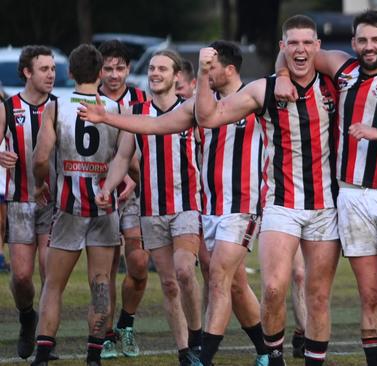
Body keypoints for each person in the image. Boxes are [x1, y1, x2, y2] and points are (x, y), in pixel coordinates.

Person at [79, 41, 270, 366]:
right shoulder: (201, 106)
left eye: (211, 68)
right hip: (210, 208)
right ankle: (267, 350)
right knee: (235, 284)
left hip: (243, 204)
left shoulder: (256, 98)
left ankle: (201, 355)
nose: (205, 75)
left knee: (216, 274)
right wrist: (108, 119)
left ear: (229, 69)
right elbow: (155, 125)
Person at [273, 10, 377, 366]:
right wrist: (282, 74)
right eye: (363, 40)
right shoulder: (343, 69)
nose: (369, 47)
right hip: (352, 196)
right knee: (370, 296)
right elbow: (295, 50)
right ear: (354, 42)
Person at [195, 16, 342, 366]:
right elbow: (208, 117)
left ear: (317, 47)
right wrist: (202, 74)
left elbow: (374, 70)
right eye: (293, 43)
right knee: (274, 289)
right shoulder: (264, 89)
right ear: (283, 47)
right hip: (280, 204)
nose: (301, 50)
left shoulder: (337, 84)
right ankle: (273, 358)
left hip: (325, 206)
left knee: (317, 296)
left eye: (308, 43)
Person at [87, 49, 203, 366]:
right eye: (151, 68)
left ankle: (198, 337)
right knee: (168, 283)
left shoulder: (191, 110)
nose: (154, 73)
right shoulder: (136, 111)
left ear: (176, 75)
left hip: (188, 206)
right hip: (151, 208)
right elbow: (123, 157)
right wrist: (107, 188)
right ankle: (185, 353)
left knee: (183, 271)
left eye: (162, 68)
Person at [30, 44, 122, 366]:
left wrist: (41, 182)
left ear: (69, 73)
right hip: (104, 207)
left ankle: (42, 354)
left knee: (53, 285)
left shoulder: (56, 106)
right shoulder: (114, 107)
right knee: (100, 282)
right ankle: (94, 354)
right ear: (100, 74)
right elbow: (130, 162)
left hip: (69, 206)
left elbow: (41, 157)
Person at [0, 45, 57, 360]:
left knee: (51, 270)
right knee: (21, 276)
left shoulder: (61, 107)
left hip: (53, 203)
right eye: (44, 69)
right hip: (20, 201)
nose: (51, 74)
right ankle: (27, 318)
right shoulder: (8, 108)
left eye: (53, 69)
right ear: (27, 73)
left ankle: (47, 338)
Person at [96, 39, 149, 359]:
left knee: (139, 264)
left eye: (120, 68)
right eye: (107, 68)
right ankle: (106, 334)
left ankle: (126, 324)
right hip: (102, 193)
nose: (114, 75)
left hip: (136, 194)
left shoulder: (142, 100)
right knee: (107, 267)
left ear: (129, 70)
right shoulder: (90, 100)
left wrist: (134, 174)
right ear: (99, 70)